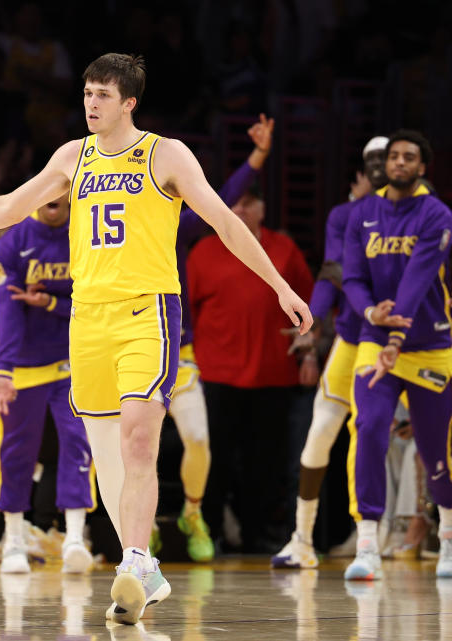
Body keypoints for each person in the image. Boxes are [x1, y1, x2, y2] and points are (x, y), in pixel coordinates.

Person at [0, 52, 312, 624]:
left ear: (129, 103)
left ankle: (137, 561)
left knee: (141, 439)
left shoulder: (165, 154)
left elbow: (224, 221)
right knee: (108, 456)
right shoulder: (73, 156)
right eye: (87, 93)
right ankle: (143, 568)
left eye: (102, 96)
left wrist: (279, 286)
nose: (90, 104)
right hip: (87, 320)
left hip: (147, 314)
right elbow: (10, 207)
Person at [271, 136, 390, 569]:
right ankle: (302, 539)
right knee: (322, 431)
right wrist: (312, 320)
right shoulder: (346, 215)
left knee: (402, 442)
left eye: (389, 158)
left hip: (407, 342)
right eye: (372, 161)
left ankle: (381, 539)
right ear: (358, 173)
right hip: (354, 337)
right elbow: (332, 272)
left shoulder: (423, 210)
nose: (380, 167)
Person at [162, 113, 275, 563]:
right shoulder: (98, 228)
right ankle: (141, 527)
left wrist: (259, 155)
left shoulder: (177, 228)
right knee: (131, 449)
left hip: (177, 352)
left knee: (199, 440)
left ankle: (193, 514)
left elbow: (225, 200)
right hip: (120, 343)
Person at [340, 129, 452, 581]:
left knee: (434, 448)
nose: (399, 162)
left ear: (422, 166)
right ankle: (368, 541)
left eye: (409, 157)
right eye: (393, 157)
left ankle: (447, 537)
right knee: (367, 427)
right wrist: (370, 312)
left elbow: (418, 281)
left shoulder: (436, 214)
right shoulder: (361, 213)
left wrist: (395, 341)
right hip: (375, 337)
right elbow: (351, 277)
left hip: (429, 343)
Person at [188, 183, 315, 553]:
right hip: (216, 373)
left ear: (262, 208)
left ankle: (257, 534)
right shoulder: (203, 251)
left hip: (272, 373)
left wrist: (309, 354)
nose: (240, 211)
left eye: (248, 204)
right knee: (215, 460)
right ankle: (209, 532)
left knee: (267, 462)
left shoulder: (284, 249)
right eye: (235, 205)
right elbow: (188, 311)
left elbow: (310, 306)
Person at [0, 192, 95, 575]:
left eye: (64, 189)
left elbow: (89, 300)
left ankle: (75, 537)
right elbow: (8, 310)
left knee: (78, 439)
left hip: (71, 357)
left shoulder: (84, 233)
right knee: (15, 450)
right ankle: (12, 538)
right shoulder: (13, 241)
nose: (55, 196)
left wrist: (50, 304)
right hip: (25, 363)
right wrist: (5, 371)